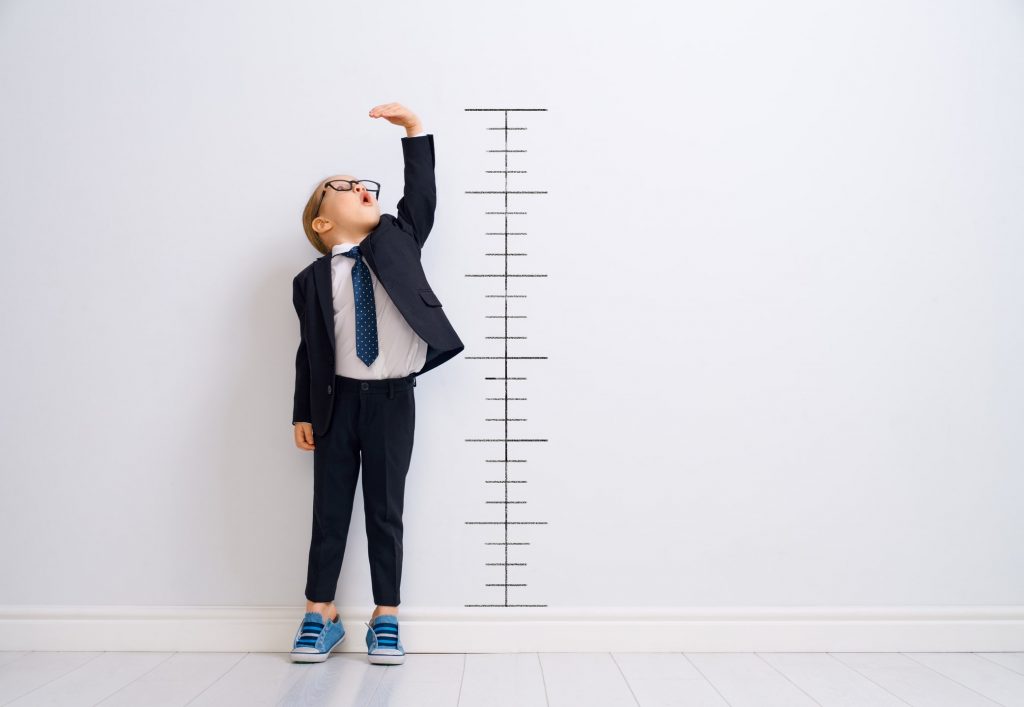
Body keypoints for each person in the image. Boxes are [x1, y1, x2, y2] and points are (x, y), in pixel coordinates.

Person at [288, 102, 464, 663]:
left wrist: (414, 132)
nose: (363, 187)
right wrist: (302, 412)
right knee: (329, 509)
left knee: (386, 509)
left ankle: (386, 616)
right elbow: (309, 352)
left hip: (393, 402)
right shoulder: (310, 280)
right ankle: (321, 612)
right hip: (337, 406)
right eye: (344, 187)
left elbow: (421, 196)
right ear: (322, 222)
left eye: (366, 184)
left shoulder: (397, 238)